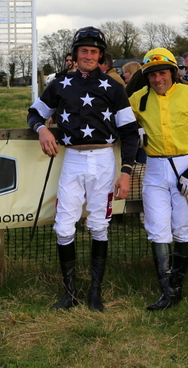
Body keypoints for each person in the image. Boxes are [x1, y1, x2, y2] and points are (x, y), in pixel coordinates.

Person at [27, 26, 138, 312]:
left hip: (103, 160)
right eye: (83, 50)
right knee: (64, 227)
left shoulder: (114, 87)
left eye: (94, 51)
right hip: (73, 161)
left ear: (101, 56)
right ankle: (70, 292)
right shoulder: (60, 84)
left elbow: (129, 132)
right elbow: (34, 113)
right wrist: (41, 130)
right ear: (75, 54)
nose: (88, 55)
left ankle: (95, 293)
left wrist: (125, 172)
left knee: (100, 225)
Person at [128, 48, 188, 311]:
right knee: (157, 227)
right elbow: (122, 125)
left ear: (173, 73)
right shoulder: (136, 99)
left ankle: (178, 285)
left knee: (183, 226)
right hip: (154, 167)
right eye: (151, 75)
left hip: (186, 166)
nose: (157, 79)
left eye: (162, 73)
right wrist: (135, 130)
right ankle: (167, 291)